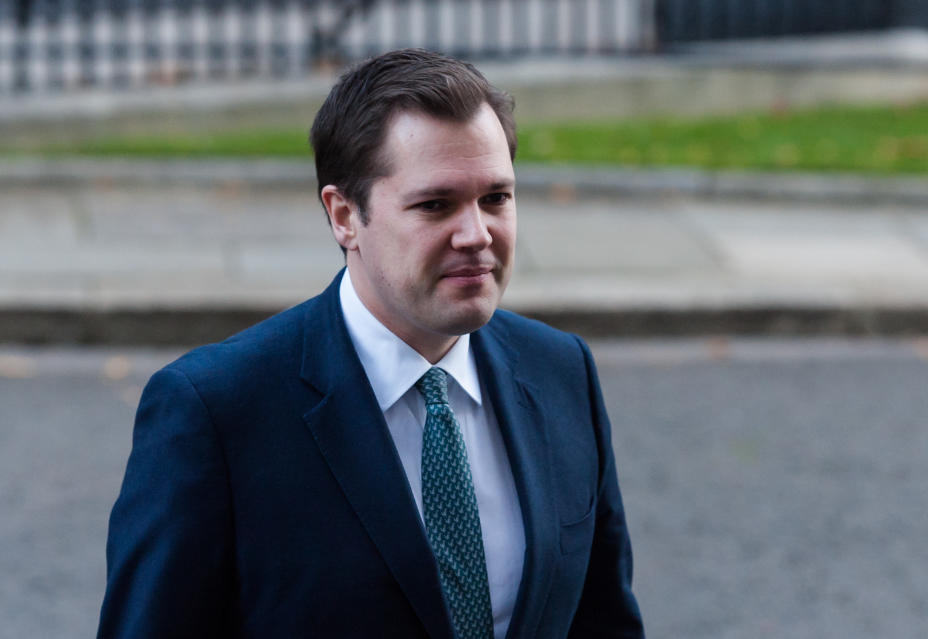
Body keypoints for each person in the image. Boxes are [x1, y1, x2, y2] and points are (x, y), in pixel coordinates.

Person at [97, 48, 643, 639]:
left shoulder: (562, 370)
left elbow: (603, 619)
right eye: (436, 204)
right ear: (344, 216)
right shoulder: (216, 411)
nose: (476, 234)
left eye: (496, 198)